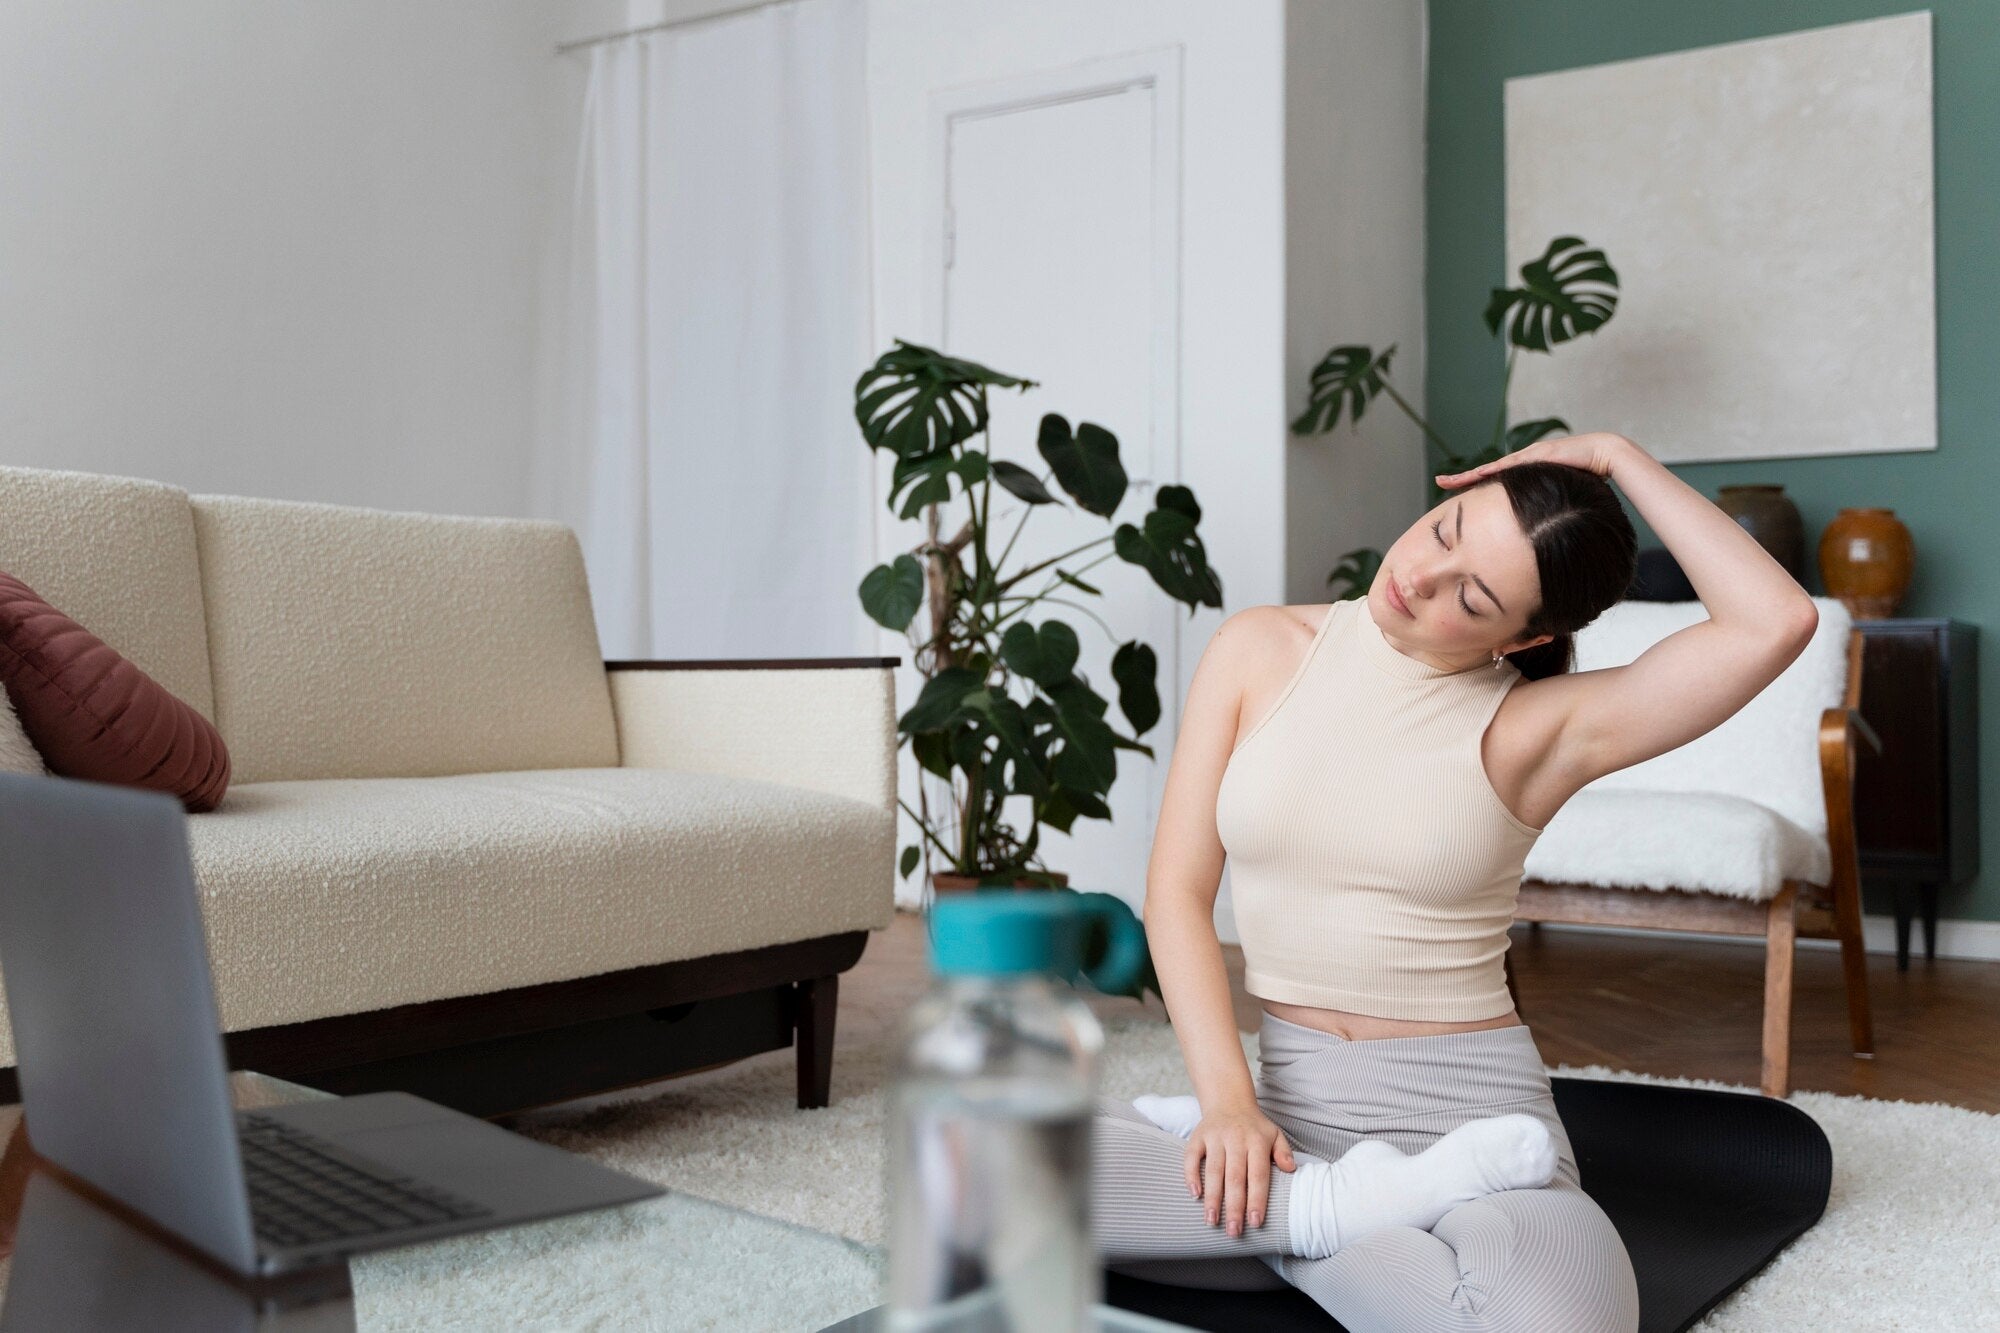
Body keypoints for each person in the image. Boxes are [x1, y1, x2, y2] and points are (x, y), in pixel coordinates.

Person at [1092, 432, 1821, 1331]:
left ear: (1530, 636)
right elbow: (1175, 895)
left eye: (1473, 597)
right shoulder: (1258, 648)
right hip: (1283, 1114)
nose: (1421, 578)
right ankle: (1334, 1212)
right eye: (1444, 532)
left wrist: (1616, 457)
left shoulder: (1535, 728)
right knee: (975, 1164)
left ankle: (1304, 1225)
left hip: (1471, 1129)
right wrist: (1229, 1105)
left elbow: (1774, 621)